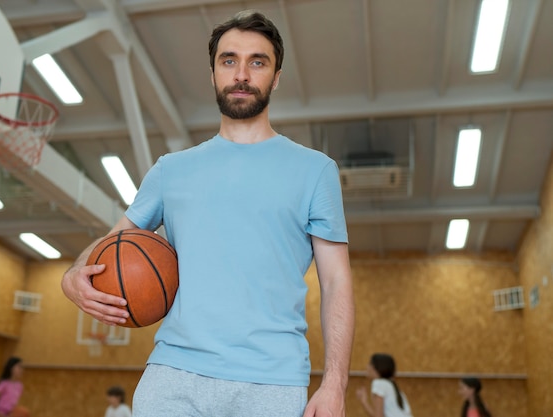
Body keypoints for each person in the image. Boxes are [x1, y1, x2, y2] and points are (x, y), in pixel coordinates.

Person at [62, 9, 355, 417]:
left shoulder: (315, 170)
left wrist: (335, 384)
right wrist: (73, 271)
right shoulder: (170, 169)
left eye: (258, 61)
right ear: (213, 73)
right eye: (228, 60)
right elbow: (113, 242)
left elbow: (337, 282)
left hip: (272, 382)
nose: (241, 74)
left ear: (276, 77)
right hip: (173, 376)